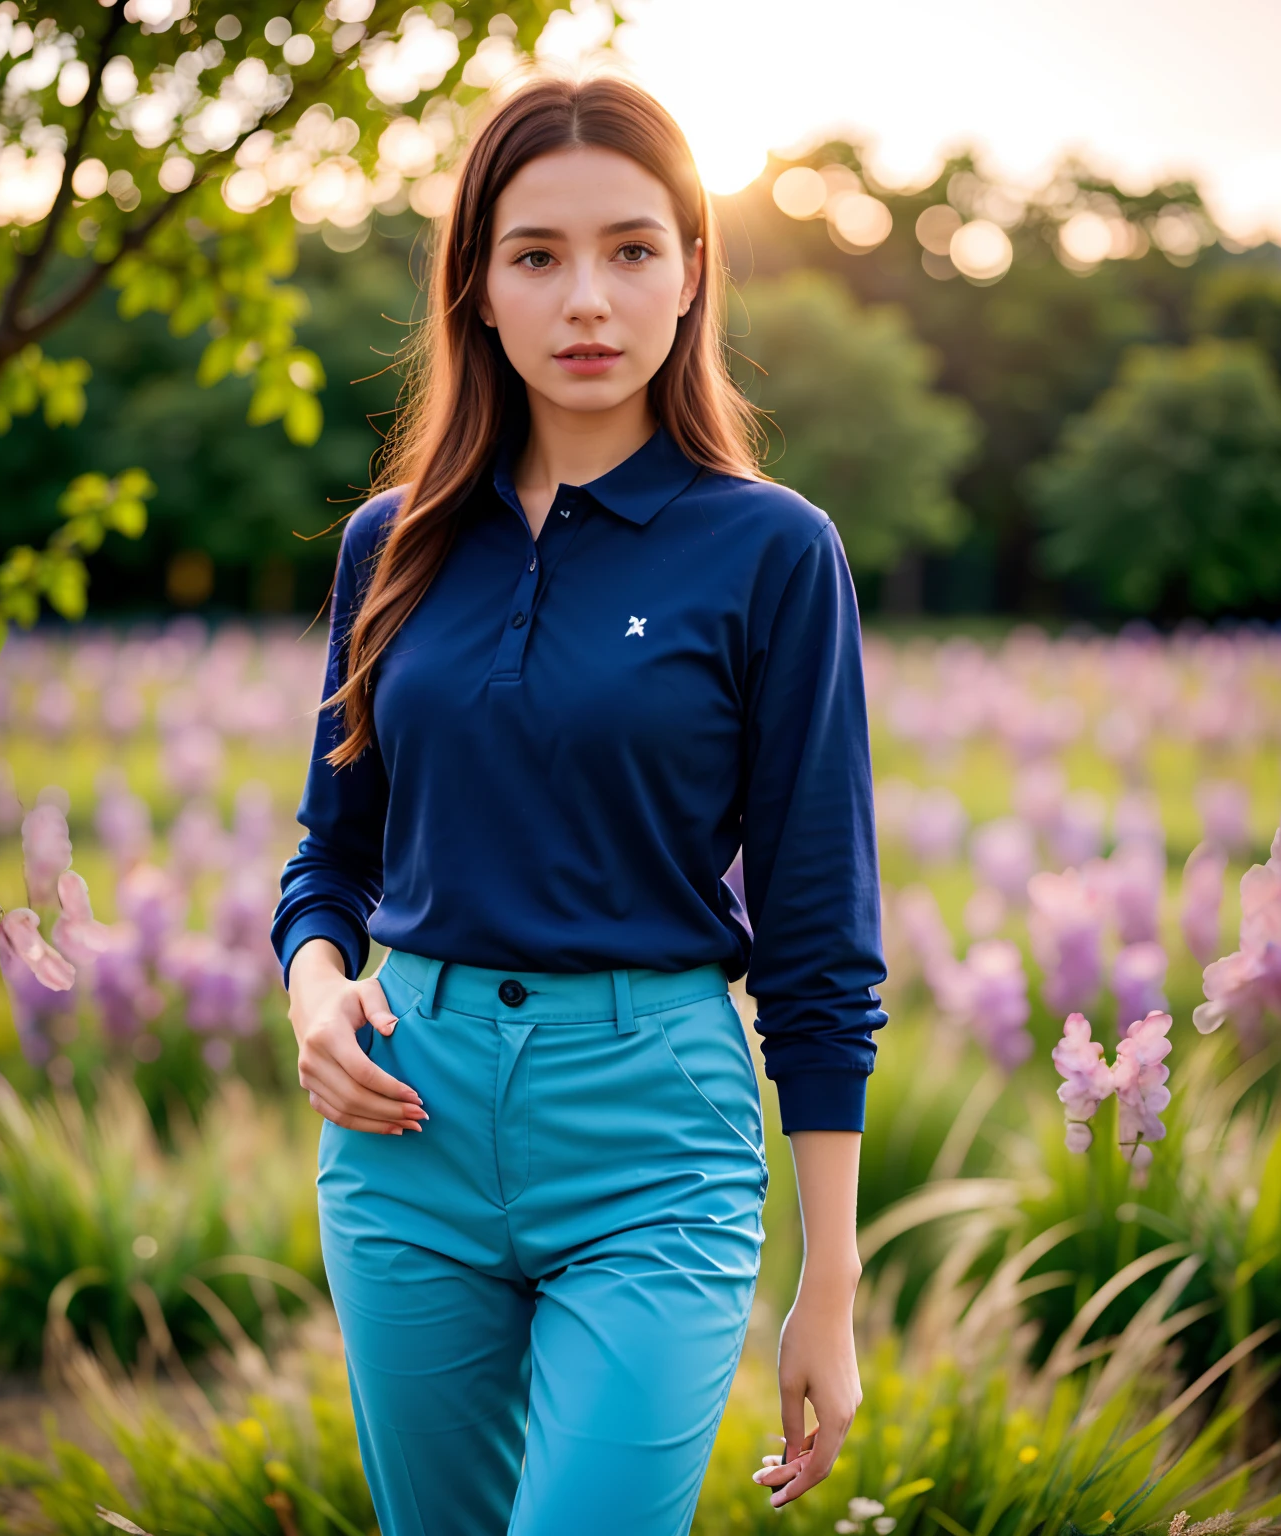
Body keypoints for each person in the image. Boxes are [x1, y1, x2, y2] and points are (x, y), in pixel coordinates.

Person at [270, 65, 887, 1536]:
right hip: (404, 1127)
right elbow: (331, 856)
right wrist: (312, 989)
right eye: (537, 256)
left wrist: (830, 1287)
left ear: (691, 271)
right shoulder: (391, 545)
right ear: (477, 286)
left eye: (631, 250)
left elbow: (819, 942)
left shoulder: (773, 554)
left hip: (651, 1135)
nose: (588, 300)